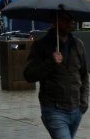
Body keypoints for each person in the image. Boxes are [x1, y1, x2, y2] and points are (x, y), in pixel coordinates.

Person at [24, 11, 89, 139]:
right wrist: (51, 62)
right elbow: (29, 75)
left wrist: (84, 102)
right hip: (54, 109)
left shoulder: (78, 45)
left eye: (71, 19)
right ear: (55, 22)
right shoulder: (41, 45)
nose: (71, 23)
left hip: (76, 109)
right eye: (65, 19)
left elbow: (84, 75)